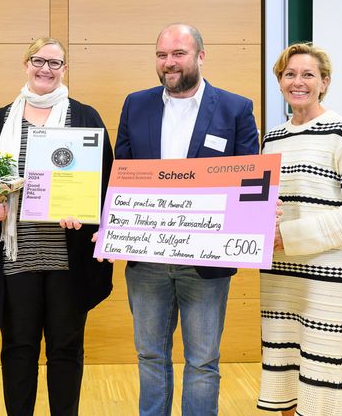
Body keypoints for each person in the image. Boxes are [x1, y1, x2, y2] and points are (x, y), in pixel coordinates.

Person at [114, 23, 259, 415]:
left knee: (202, 362)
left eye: (178, 54)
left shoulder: (236, 108)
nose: (169, 63)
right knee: (149, 356)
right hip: (146, 261)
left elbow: (251, 182)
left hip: (207, 264)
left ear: (200, 56)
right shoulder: (135, 104)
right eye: (162, 55)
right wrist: (113, 227)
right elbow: (121, 175)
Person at [0, 37, 113, 416]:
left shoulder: (85, 117)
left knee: (65, 349)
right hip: (14, 255)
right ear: (26, 64)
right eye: (39, 60)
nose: (46, 69)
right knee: (18, 348)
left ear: (65, 69)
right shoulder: (0, 120)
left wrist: (84, 212)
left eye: (55, 63)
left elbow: (105, 184)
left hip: (67, 257)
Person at [257, 43, 342, 416]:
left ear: (324, 82)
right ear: (279, 81)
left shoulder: (340, 133)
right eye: (290, 74)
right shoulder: (272, 139)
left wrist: (290, 237)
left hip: (325, 275)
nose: (298, 82)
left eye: (308, 74)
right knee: (282, 367)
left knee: (319, 373)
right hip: (279, 273)